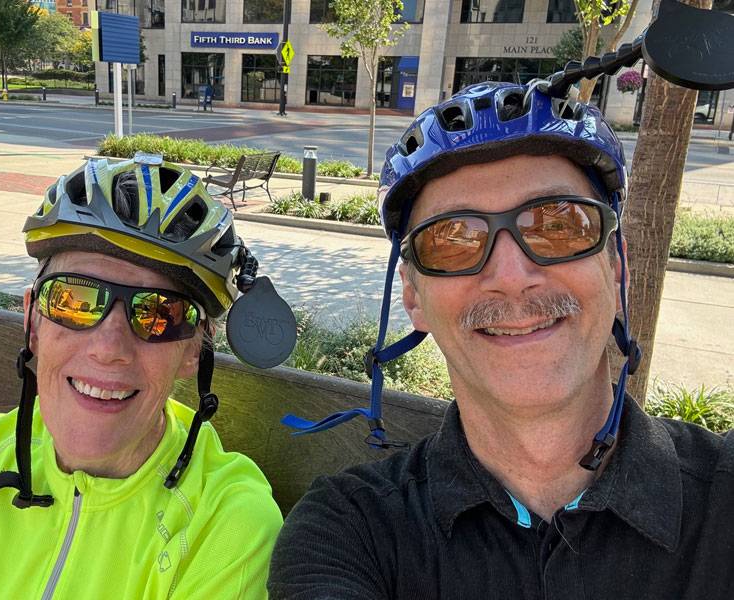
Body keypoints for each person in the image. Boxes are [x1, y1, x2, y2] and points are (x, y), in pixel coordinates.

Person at [269, 81, 734, 598]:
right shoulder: (348, 532)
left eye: (558, 224)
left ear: (617, 264)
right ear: (413, 295)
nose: (511, 276)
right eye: (454, 240)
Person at [0, 155, 284, 598]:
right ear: (32, 321)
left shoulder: (224, 525)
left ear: (193, 350)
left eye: (158, 316)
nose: (109, 349)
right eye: (74, 300)